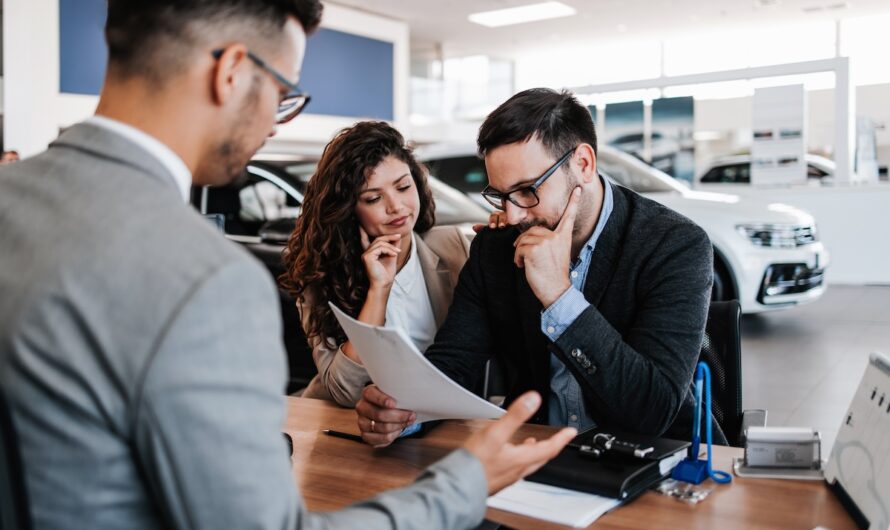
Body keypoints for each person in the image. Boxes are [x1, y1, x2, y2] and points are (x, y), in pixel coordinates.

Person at [0, 2, 575, 529]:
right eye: (282, 93)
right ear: (229, 73)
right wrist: (463, 485)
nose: (276, 122)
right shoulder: (206, 280)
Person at [356, 87, 723, 447]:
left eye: (528, 189)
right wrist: (402, 413)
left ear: (583, 164)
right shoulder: (495, 247)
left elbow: (652, 410)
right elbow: (455, 365)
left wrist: (559, 296)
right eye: (501, 195)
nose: (512, 214)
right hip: (538, 453)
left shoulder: (674, 244)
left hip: (657, 461)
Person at [281, 121, 471, 406]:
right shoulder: (323, 274)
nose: (396, 206)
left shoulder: (452, 245)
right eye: (373, 198)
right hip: (349, 427)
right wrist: (378, 290)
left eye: (403, 186)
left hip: (439, 420)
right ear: (349, 209)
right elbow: (345, 391)